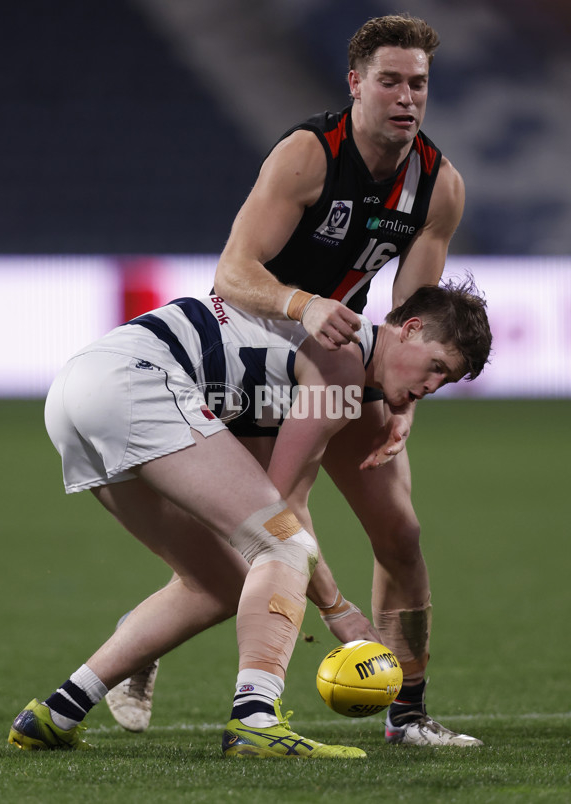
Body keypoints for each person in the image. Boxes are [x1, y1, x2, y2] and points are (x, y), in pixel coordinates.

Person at [107, 14, 484, 747]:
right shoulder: (309, 156)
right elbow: (233, 272)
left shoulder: (439, 187)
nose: (407, 98)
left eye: (420, 84)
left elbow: (414, 318)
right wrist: (306, 305)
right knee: (275, 523)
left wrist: (403, 401)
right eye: (391, 81)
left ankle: (406, 716)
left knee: (401, 534)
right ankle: (145, 648)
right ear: (356, 84)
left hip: (342, 358)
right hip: (254, 350)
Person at [8, 280, 491, 756]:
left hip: (78, 390)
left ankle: (54, 715)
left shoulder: (331, 349)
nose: (431, 386)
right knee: (282, 543)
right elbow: (283, 509)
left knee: (219, 584)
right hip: (134, 382)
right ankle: (255, 721)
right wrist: (338, 610)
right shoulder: (344, 358)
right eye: (436, 367)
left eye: (445, 381)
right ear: (408, 328)